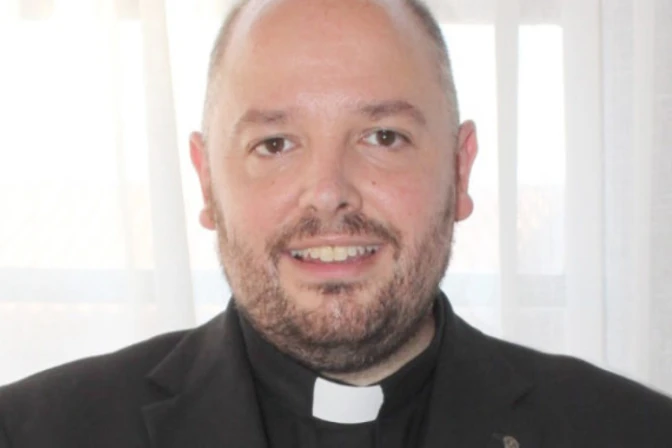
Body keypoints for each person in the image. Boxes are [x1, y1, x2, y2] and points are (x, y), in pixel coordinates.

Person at [1, 0, 671, 446]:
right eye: (275, 144)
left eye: (383, 137)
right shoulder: (32, 433)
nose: (328, 193)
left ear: (460, 169)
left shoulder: (634, 433)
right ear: (206, 181)